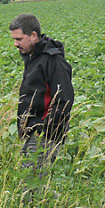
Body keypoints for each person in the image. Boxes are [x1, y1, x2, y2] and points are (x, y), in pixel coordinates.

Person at [9, 13, 74, 174]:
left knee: (31, 186)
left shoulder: (53, 60)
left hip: (44, 134)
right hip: (33, 131)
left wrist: (45, 130)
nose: (16, 44)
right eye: (14, 40)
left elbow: (64, 99)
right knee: (34, 184)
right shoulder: (33, 57)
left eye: (19, 39)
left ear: (33, 36)